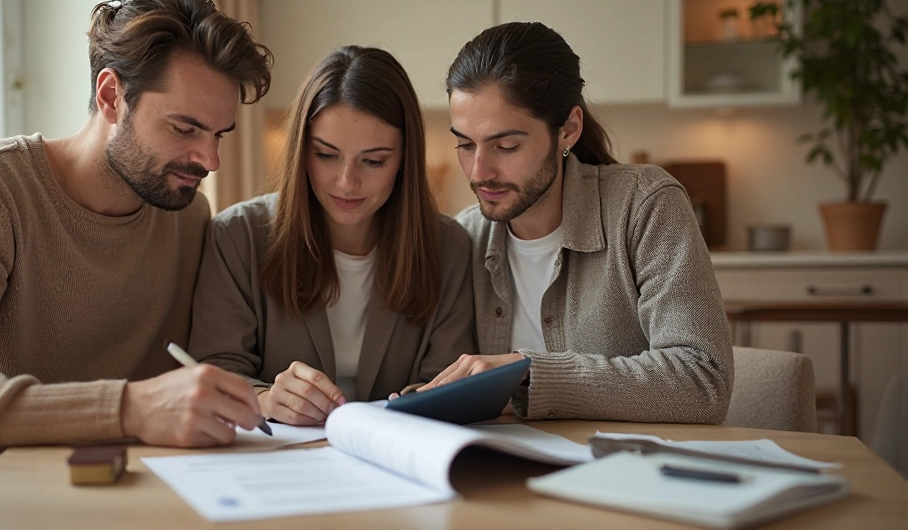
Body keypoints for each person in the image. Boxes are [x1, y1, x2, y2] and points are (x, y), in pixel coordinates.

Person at [0, 0, 273, 452]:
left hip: (150, 491)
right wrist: (127, 408)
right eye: (184, 128)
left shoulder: (188, 215)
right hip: (7, 499)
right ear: (111, 96)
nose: (209, 161)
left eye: (219, 134)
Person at [421, 22, 733, 424]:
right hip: (509, 472)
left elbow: (703, 382)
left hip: (631, 473)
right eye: (465, 144)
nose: (479, 171)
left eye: (506, 146)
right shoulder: (466, 237)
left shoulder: (643, 206)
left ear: (568, 129)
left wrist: (529, 373)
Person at [187, 46, 475, 425]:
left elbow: (448, 386)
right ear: (302, 151)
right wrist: (266, 398)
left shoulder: (449, 247)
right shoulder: (237, 236)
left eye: (373, 161)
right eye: (326, 155)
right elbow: (216, 371)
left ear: (404, 159)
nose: (346, 182)